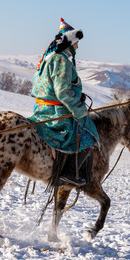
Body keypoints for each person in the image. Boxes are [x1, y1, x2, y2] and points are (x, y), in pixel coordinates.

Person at [29, 18, 100, 186]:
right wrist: (79, 109)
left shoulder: (47, 58)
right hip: (55, 112)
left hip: (40, 108)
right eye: (76, 43)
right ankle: (69, 173)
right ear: (69, 43)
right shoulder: (61, 61)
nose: (77, 47)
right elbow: (62, 92)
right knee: (89, 134)